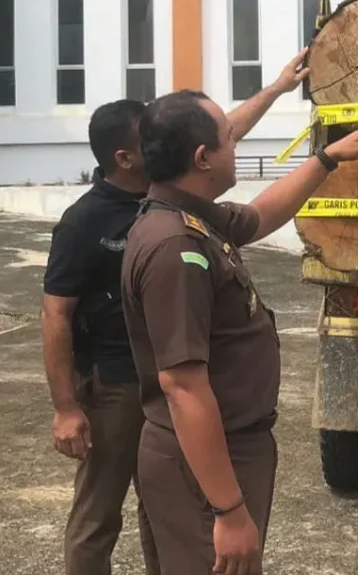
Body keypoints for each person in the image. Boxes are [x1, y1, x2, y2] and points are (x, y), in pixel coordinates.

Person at [41, 51, 311, 575]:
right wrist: (66, 406)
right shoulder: (112, 227)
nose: (165, 145)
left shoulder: (173, 203)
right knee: (99, 517)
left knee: (166, 521)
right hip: (122, 386)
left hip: (167, 396)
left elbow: (227, 150)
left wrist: (280, 93)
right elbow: (56, 316)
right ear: (127, 156)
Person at [120, 88, 358, 574]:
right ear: (203, 158)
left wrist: (327, 159)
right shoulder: (174, 248)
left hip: (221, 453)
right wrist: (227, 510)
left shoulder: (194, 218)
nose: (237, 147)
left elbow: (263, 214)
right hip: (204, 464)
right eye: (229, 139)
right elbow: (183, 387)